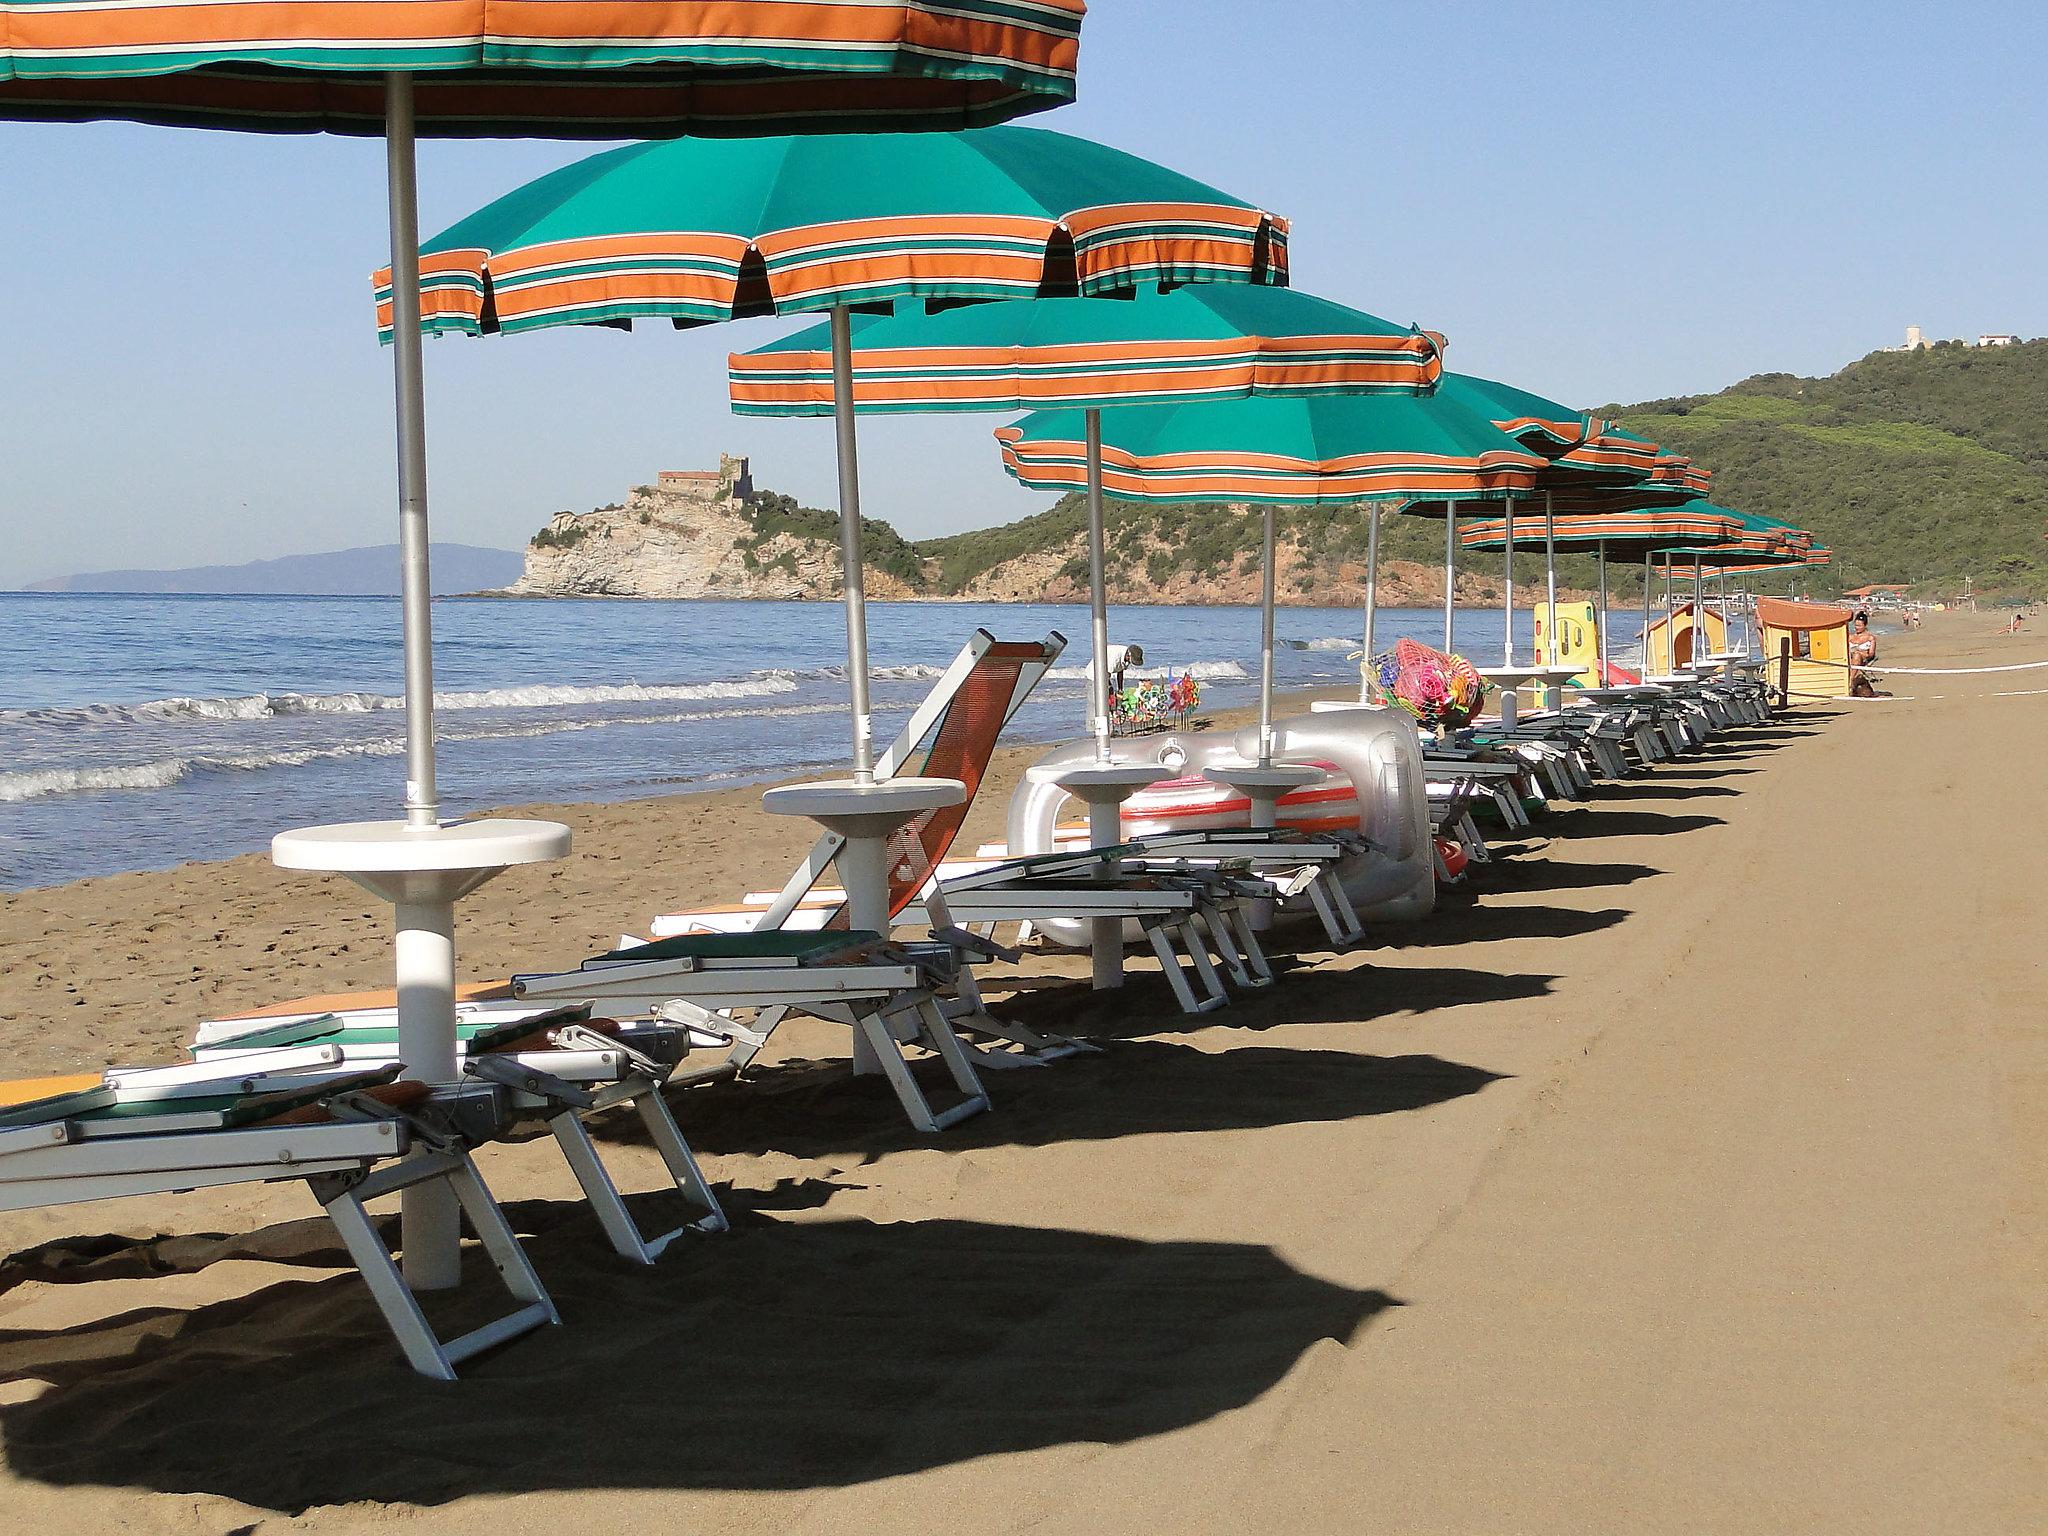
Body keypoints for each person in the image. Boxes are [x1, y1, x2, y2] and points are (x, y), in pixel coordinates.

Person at [1848, 611, 1880, 696]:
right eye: (1855, 625)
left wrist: (1860, 652)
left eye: (1859, 626)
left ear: (1865, 625)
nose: (1856, 627)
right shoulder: (1850, 637)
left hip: (1863, 659)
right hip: (1849, 658)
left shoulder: (1870, 638)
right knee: (1854, 655)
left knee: (1857, 655)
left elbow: (1871, 654)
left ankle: (1850, 681)